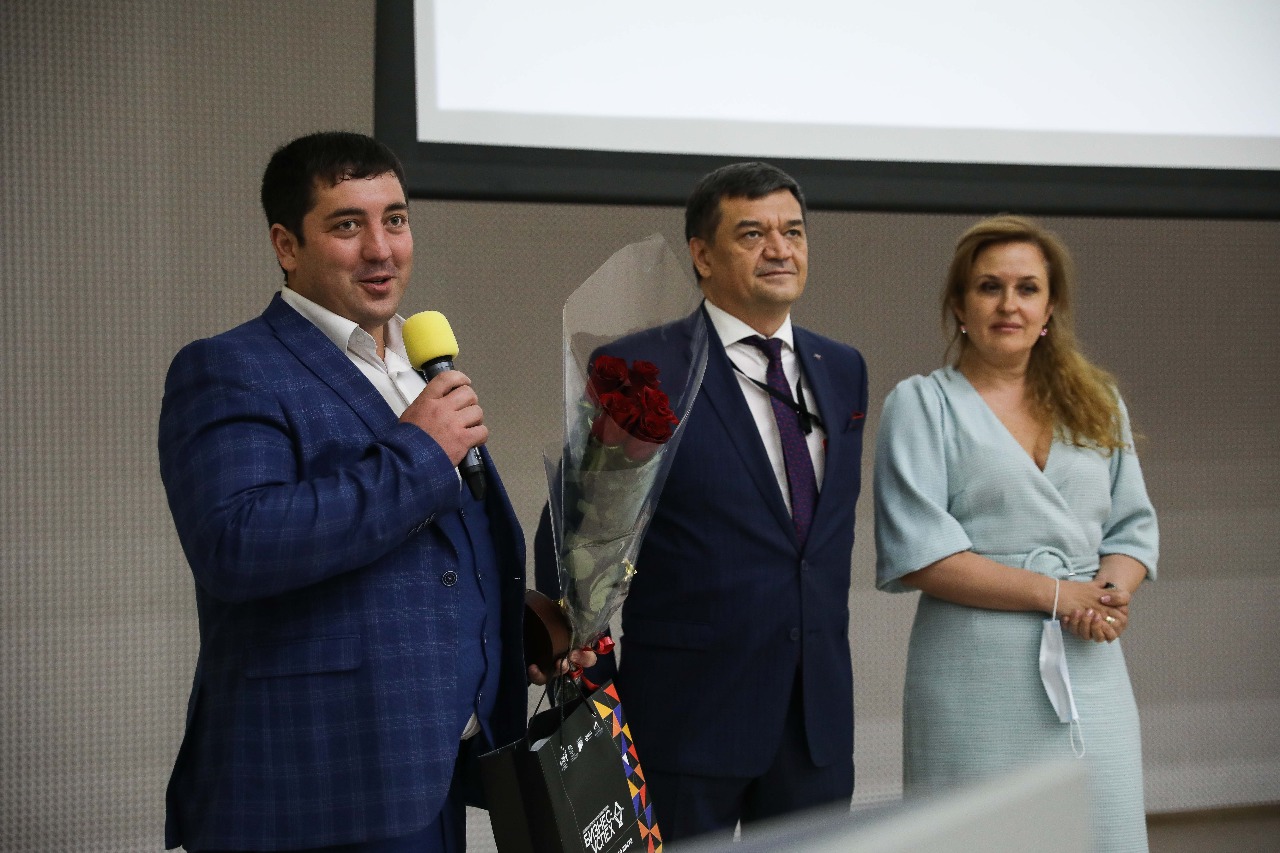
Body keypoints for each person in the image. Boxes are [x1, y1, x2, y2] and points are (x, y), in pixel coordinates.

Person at [159, 131, 584, 853]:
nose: (381, 249)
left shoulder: (418, 365)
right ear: (286, 245)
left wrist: (510, 632)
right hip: (314, 787)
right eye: (347, 225)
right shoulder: (230, 367)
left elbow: (423, 555)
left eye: (395, 219)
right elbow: (238, 543)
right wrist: (420, 452)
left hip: (431, 772)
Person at [536, 162, 869, 843]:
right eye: (752, 233)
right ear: (702, 254)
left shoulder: (843, 367)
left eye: (793, 232)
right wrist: (585, 661)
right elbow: (570, 528)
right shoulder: (642, 370)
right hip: (687, 718)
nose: (779, 249)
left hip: (815, 724)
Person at [873, 214, 1159, 852]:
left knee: (1102, 830)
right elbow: (920, 553)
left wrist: (1107, 597)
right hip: (972, 674)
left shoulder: (1098, 401)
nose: (1010, 305)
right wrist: (1057, 594)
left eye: (1028, 288)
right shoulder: (920, 404)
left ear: (1050, 307)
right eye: (989, 287)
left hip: (1090, 664)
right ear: (959, 305)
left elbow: (1132, 528)